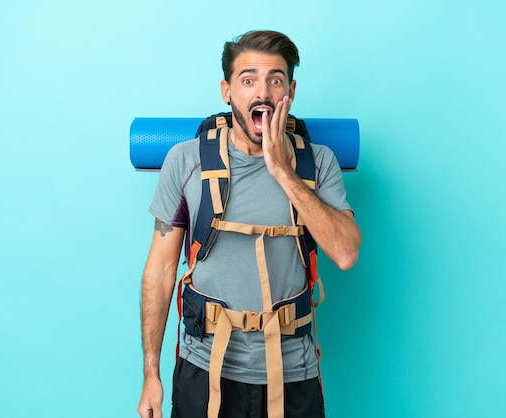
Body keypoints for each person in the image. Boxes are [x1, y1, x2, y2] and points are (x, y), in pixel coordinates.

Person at [137, 30, 361, 418]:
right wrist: (151, 374)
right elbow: (159, 271)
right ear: (227, 91)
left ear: (290, 90)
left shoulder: (318, 163)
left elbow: (345, 253)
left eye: (275, 79)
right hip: (203, 370)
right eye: (248, 79)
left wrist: (283, 172)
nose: (263, 92)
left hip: (293, 373)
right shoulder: (186, 161)